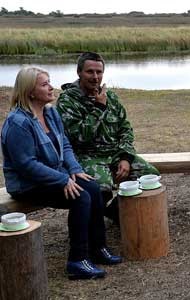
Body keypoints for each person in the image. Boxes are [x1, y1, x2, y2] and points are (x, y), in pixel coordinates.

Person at [1, 67, 122, 280]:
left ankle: (98, 248)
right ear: (30, 91)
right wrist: (62, 179)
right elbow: (26, 165)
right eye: (44, 84)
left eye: (50, 82)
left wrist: (74, 170)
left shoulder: (50, 112)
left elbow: (65, 144)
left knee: (92, 187)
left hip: (55, 176)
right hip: (27, 184)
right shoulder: (18, 123)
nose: (51, 87)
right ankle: (77, 260)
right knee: (80, 197)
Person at [56, 52, 159, 220]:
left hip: (116, 155)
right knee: (100, 187)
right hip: (88, 157)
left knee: (151, 177)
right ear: (79, 72)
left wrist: (125, 157)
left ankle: (115, 212)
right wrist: (98, 107)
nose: (95, 77)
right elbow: (78, 137)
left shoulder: (110, 97)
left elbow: (126, 129)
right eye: (90, 72)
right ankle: (91, 228)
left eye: (99, 72)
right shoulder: (68, 101)